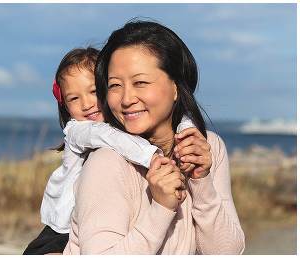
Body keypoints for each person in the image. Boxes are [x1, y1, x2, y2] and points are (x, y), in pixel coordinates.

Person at [63, 20, 245, 254]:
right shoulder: (106, 162)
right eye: (115, 85)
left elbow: (228, 252)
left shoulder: (208, 147)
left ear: (176, 87)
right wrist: (160, 208)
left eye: (140, 83)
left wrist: (201, 182)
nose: (126, 99)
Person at [23, 47, 193, 255]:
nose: (86, 104)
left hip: (94, 225)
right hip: (62, 232)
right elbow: (107, 136)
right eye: (73, 99)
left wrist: (188, 132)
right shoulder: (79, 130)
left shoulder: (126, 124)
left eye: (93, 92)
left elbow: (176, 115)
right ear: (65, 106)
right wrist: (152, 156)